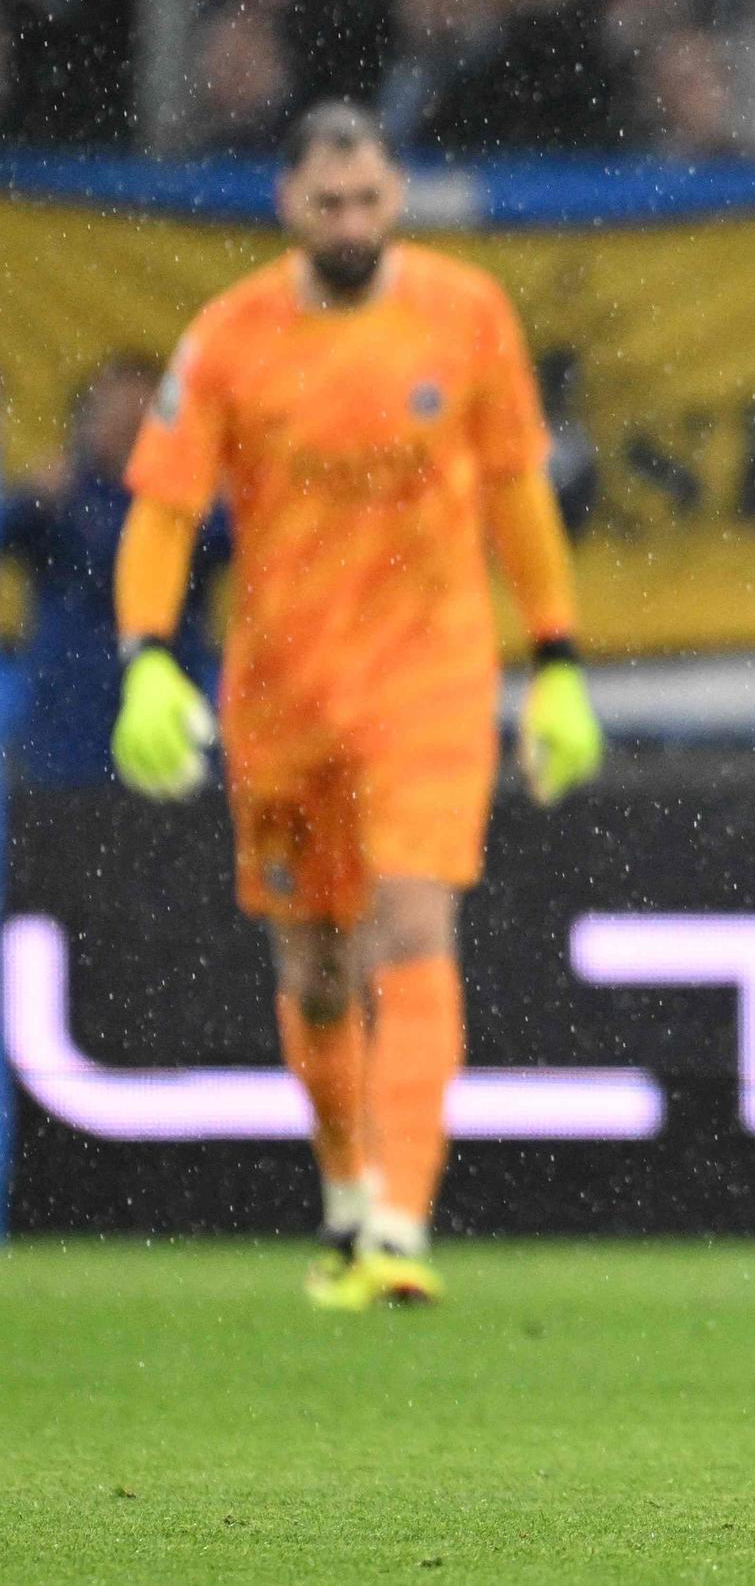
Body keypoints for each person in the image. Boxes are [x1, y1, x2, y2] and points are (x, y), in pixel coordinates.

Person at [110, 102, 607, 1310]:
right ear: (288, 206)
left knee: (411, 926)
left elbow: (516, 492)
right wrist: (146, 656)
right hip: (284, 690)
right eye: (328, 203)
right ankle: (344, 1196)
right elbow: (166, 509)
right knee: (318, 965)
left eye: (370, 200)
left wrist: (554, 657)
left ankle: (398, 1222)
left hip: (431, 674)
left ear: (397, 197)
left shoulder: (466, 312)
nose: (352, 222)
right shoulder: (229, 338)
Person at [1, 358, 227, 787]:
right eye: (115, 414)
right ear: (83, 424)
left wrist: (223, 496)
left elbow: (257, 551)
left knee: (177, 845)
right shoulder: (59, 498)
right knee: (61, 847)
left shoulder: (181, 507)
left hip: (167, 723)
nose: (129, 428)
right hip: (65, 729)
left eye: (142, 414)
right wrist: (29, 498)